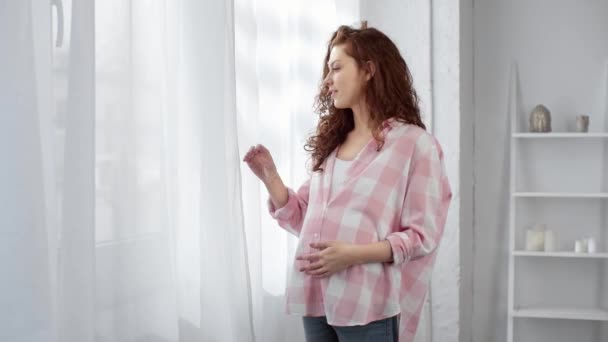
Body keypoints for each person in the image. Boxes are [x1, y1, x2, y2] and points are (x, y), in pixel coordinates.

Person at [242, 21, 452, 342]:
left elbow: (423, 235)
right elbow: (305, 219)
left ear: (368, 70)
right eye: (327, 71)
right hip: (314, 298)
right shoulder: (334, 145)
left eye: (336, 68)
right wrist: (270, 177)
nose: (327, 81)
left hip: (367, 301)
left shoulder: (414, 144)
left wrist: (353, 254)